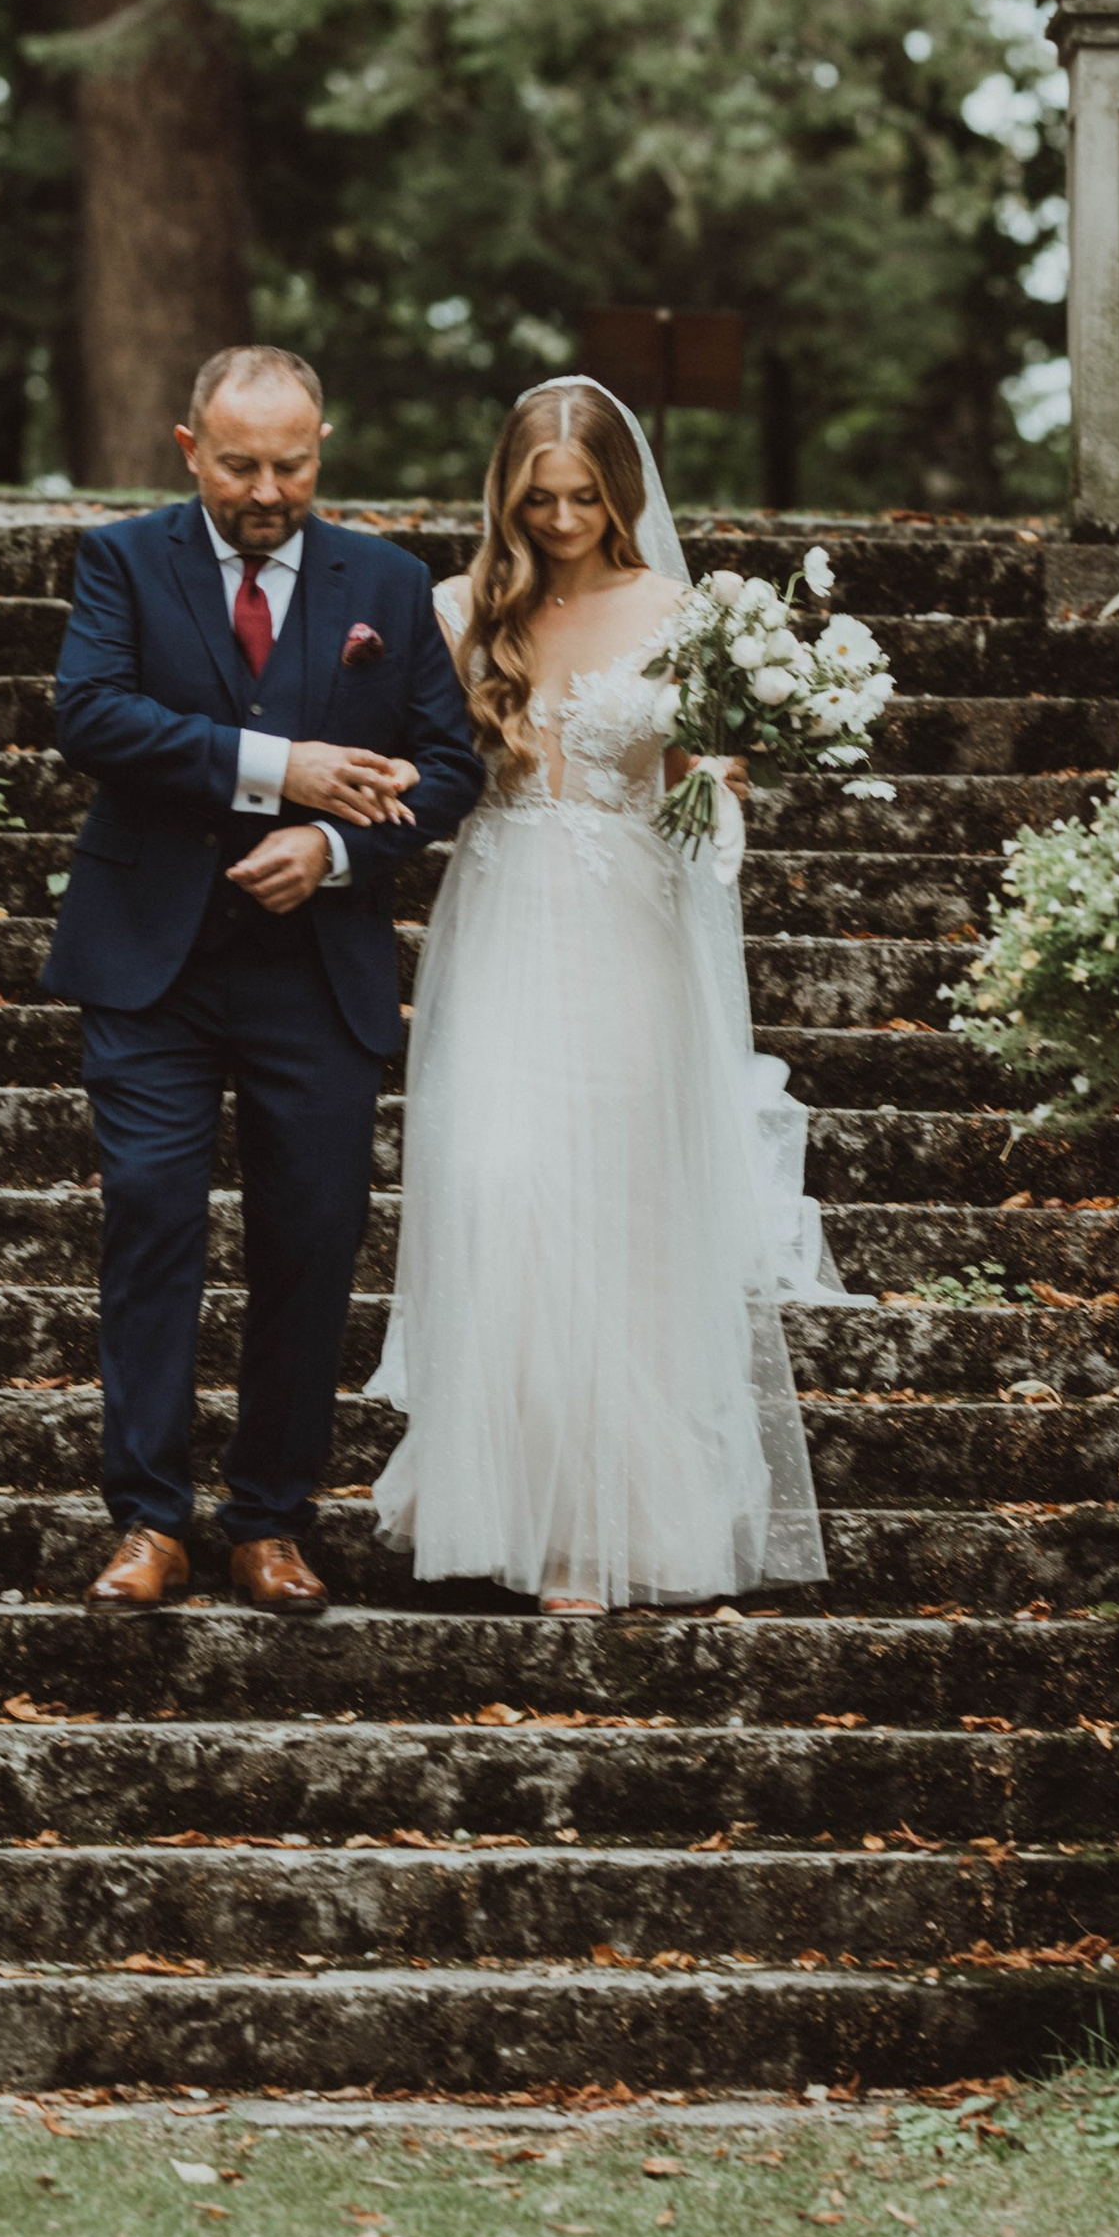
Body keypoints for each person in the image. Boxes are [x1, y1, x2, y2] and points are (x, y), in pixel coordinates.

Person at [369, 379, 829, 1616]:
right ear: (506, 494)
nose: (564, 518)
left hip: (627, 925)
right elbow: (411, 753)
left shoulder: (683, 613)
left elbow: (699, 776)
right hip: (503, 916)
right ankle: (492, 1490)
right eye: (540, 497)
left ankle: (599, 1526)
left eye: (584, 496)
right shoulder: (458, 608)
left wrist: (726, 771)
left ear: (619, 492)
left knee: (610, 1205)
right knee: (497, 1177)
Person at [43, 345, 485, 1612]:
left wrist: (338, 846)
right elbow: (94, 715)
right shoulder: (124, 560)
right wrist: (276, 769)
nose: (267, 489)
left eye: (291, 464)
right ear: (191, 452)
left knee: (310, 1241)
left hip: (315, 973)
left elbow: (445, 770)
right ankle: (148, 1521)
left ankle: (271, 1521)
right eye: (239, 465)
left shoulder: (389, 585)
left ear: (321, 449)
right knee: (151, 1221)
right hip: (152, 966)